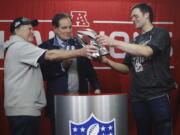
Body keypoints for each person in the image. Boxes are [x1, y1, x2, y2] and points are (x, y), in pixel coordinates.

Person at [4, 17, 97, 135]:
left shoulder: (19, 47)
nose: (33, 31)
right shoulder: (20, 46)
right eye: (29, 28)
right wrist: (80, 52)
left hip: (25, 108)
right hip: (23, 109)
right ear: (17, 31)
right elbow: (50, 54)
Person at [96, 3, 175, 135]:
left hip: (158, 94)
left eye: (135, 16)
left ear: (146, 15)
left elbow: (148, 51)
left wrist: (114, 42)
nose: (132, 19)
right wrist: (107, 61)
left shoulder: (161, 33)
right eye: (131, 17)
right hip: (138, 97)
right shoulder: (133, 42)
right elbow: (126, 68)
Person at [39, 13, 101, 135]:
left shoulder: (80, 44)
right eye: (64, 28)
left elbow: (89, 70)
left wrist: (97, 87)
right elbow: (43, 74)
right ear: (55, 29)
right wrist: (62, 66)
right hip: (58, 102)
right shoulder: (46, 47)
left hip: (80, 101)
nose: (68, 31)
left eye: (70, 27)